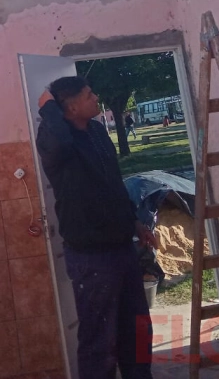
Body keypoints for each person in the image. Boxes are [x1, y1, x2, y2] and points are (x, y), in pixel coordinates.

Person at [36, 76, 156, 379]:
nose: (96, 97)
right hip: (91, 257)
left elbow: (112, 182)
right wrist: (49, 108)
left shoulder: (98, 131)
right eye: (89, 95)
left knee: (139, 331)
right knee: (99, 341)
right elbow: (60, 141)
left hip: (122, 248)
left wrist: (134, 221)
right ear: (71, 106)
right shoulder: (54, 142)